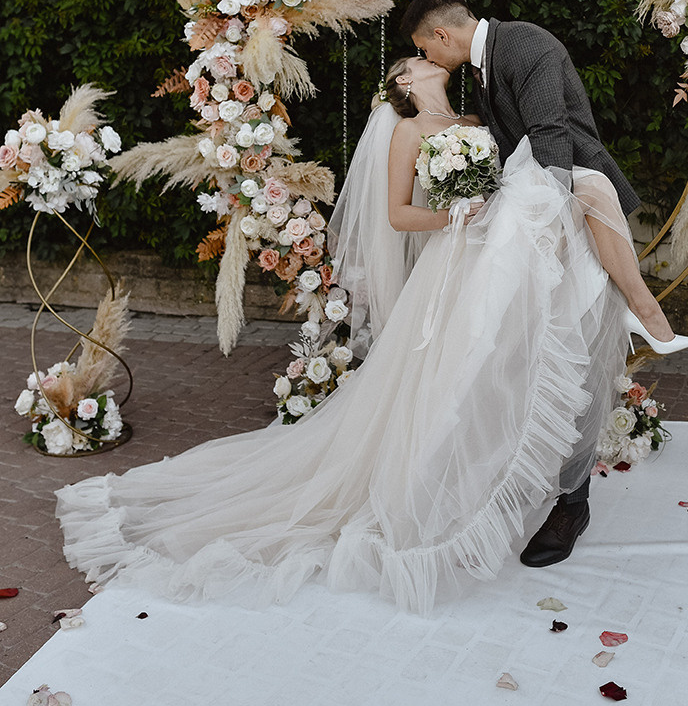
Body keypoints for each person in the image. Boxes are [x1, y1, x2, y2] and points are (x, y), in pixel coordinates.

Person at [55, 58, 629, 615]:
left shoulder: (480, 123)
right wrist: (456, 216)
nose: (432, 59)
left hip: (491, 266)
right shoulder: (406, 132)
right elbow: (400, 215)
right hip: (449, 259)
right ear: (404, 80)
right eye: (417, 58)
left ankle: (499, 469)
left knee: (491, 365)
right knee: (440, 373)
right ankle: (424, 483)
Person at [400, 0, 688, 568]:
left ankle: (572, 502)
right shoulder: (480, 70)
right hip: (523, 205)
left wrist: (547, 227)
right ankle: (503, 475)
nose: (430, 61)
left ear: (441, 35)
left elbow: (552, 134)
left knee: (571, 350)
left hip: (564, 206)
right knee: (507, 349)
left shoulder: (526, 44)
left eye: (424, 49)